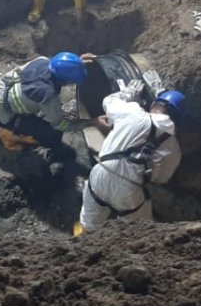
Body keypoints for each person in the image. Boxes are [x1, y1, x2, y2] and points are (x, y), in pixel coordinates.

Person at [75, 85, 183, 235]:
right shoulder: (173, 147)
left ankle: (79, 244)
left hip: (99, 174)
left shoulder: (132, 112)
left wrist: (129, 93)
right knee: (140, 232)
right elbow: (160, 178)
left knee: (89, 225)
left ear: (153, 104)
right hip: (128, 190)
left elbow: (108, 101)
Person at [0, 51, 89, 157]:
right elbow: (59, 124)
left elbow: (62, 65)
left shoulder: (42, 60)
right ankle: (10, 132)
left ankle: (13, 124)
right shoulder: (47, 95)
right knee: (53, 134)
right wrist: (90, 123)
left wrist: (77, 64)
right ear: (65, 81)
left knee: (41, 111)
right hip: (2, 113)